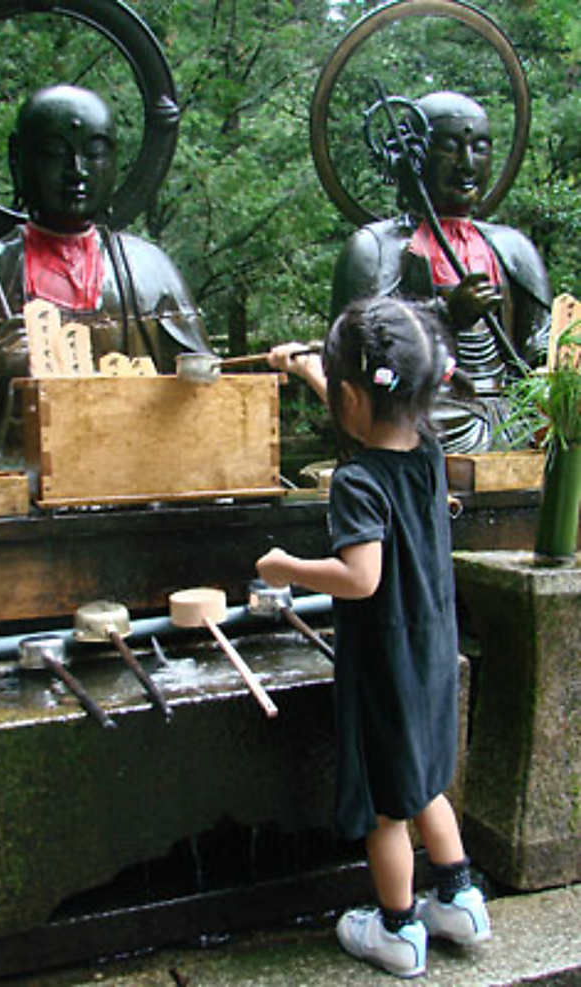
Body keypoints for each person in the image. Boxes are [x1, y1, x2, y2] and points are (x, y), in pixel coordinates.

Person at [258, 297, 491, 978]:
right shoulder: (428, 450)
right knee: (425, 783)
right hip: (432, 650)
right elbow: (370, 401)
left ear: (353, 397)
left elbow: (360, 577)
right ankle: (459, 899)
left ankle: (396, 929)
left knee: (387, 810)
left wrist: (285, 567)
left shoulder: (357, 480)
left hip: (384, 662)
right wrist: (307, 368)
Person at [0, 84, 212, 462]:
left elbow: (202, 398)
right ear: (17, 161)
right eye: (54, 154)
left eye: (95, 153)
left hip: (136, 471)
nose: (77, 171)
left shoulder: (150, 271)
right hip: (20, 479)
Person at [330, 91, 552, 453]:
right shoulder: (376, 246)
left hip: (509, 414)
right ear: (413, 157)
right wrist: (446, 316)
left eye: (480, 148)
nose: (467, 164)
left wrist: (552, 372)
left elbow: (539, 344)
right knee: (415, 426)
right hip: (429, 411)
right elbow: (354, 351)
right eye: (449, 147)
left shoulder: (513, 247)